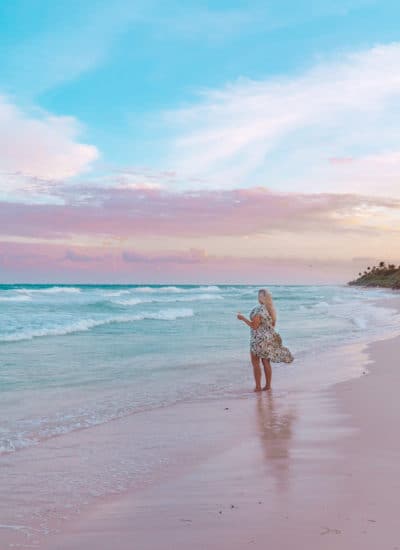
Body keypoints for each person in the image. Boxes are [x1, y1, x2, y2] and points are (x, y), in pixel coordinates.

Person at [237, 288, 293, 392]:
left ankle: (258, 387)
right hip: (268, 339)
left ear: (262, 297)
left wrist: (242, 318)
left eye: (259, 295)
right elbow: (272, 325)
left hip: (258, 339)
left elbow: (254, 326)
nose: (258, 297)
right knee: (266, 362)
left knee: (256, 363)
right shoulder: (271, 310)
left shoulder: (259, 309)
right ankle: (268, 386)